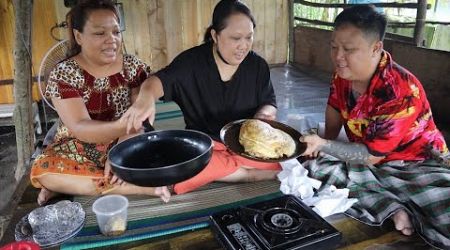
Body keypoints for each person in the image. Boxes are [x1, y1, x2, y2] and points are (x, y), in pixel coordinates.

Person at [299, 5, 450, 249]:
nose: (338, 56)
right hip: (371, 163)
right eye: (334, 46)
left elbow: (371, 156)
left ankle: (390, 204)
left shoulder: (399, 91)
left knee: (442, 203)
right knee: (311, 164)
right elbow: (335, 107)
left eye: (348, 49)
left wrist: (326, 145)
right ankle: (394, 208)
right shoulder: (343, 74)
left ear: (376, 48)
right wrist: (321, 145)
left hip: (415, 165)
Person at [121, 0, 281, 195]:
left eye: (249, 37)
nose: (243, 46)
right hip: (205, 147)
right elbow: (155, 83)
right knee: (189, 166)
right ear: (215, 35)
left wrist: (263, 116)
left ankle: (234, 171)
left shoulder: (257, 66)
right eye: (236, 38)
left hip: (246, 145)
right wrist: (146, 96)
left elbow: (268, 101)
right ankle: (244, 173)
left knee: (283, 163)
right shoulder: (191, 63)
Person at [30, 0, 170, 206]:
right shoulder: (64, 73)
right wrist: (124, 125)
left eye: (115, 31)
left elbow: (141, 116)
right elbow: (80, 127)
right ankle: (136, 187)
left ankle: (70, 185)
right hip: (77, 144)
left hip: (126, 138)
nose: (111, 40)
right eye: (99, 33)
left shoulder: (133, 67)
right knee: (42, 169)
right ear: (79, 36)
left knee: (160, 155)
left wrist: (122, 151)